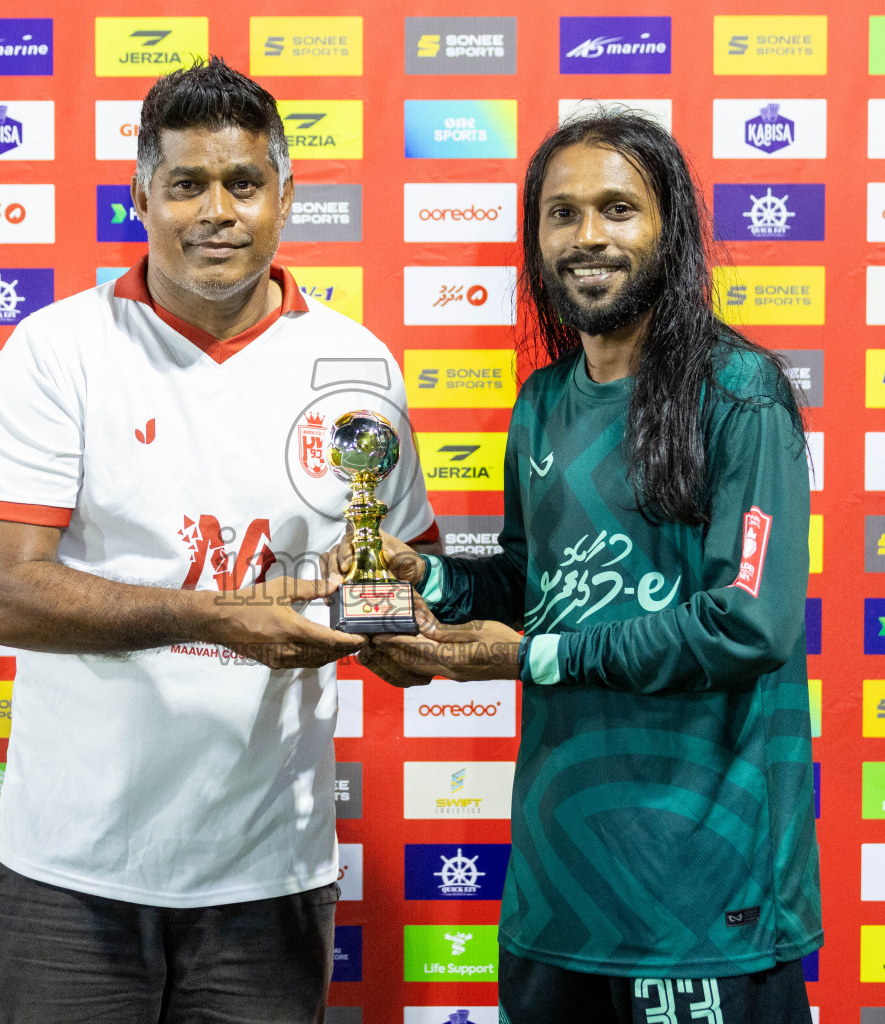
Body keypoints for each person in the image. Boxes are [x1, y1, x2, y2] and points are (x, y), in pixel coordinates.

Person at [0, 57, 437, 1024]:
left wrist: (405, 623)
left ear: (285, 195)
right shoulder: (59, 350)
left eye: (243, 183)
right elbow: (2, 595)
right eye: (186, 184)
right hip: (71, 872)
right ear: (141, 194)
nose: (216, 210)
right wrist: (223, 618)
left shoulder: (355, 361)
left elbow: (394, 572)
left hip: (267, 876)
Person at [352, 111, 821, 1023]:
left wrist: (534, 658)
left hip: (701, 896)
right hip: (558, 893)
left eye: (617, 208)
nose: (588, 237)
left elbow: (750, 621)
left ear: (670, 228)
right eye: (562, 214)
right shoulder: (541, 403)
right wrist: (428, 579)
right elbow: (534, 587)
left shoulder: (738, 393)